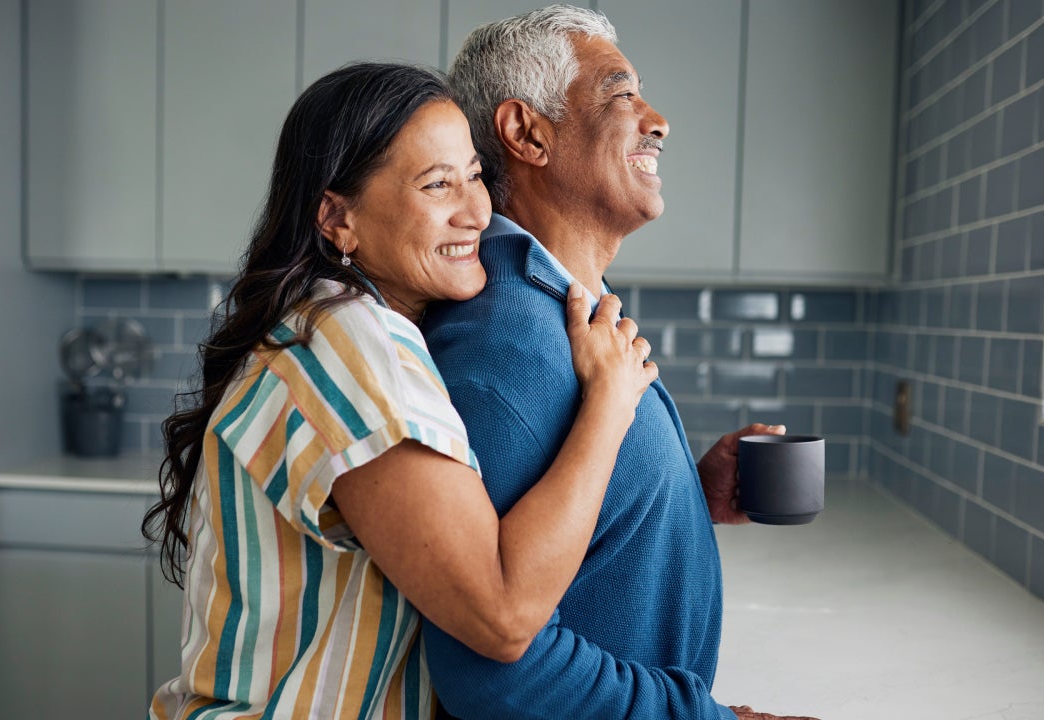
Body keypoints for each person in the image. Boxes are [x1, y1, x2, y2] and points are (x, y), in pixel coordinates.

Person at [142, 61, 660, 719]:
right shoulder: (351, 346)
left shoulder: (331, 324)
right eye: (436, 184)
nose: (477, 209)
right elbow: (502, 616)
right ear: (338, 219)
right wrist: (610, 403)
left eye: (474, 174)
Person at [419, 6, 818, 720]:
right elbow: (497, 677)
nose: (658, 120)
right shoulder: (504, 344)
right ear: (527, 134)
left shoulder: (565, 311)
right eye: (621, 94)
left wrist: (685, 495)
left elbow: (568, 545)